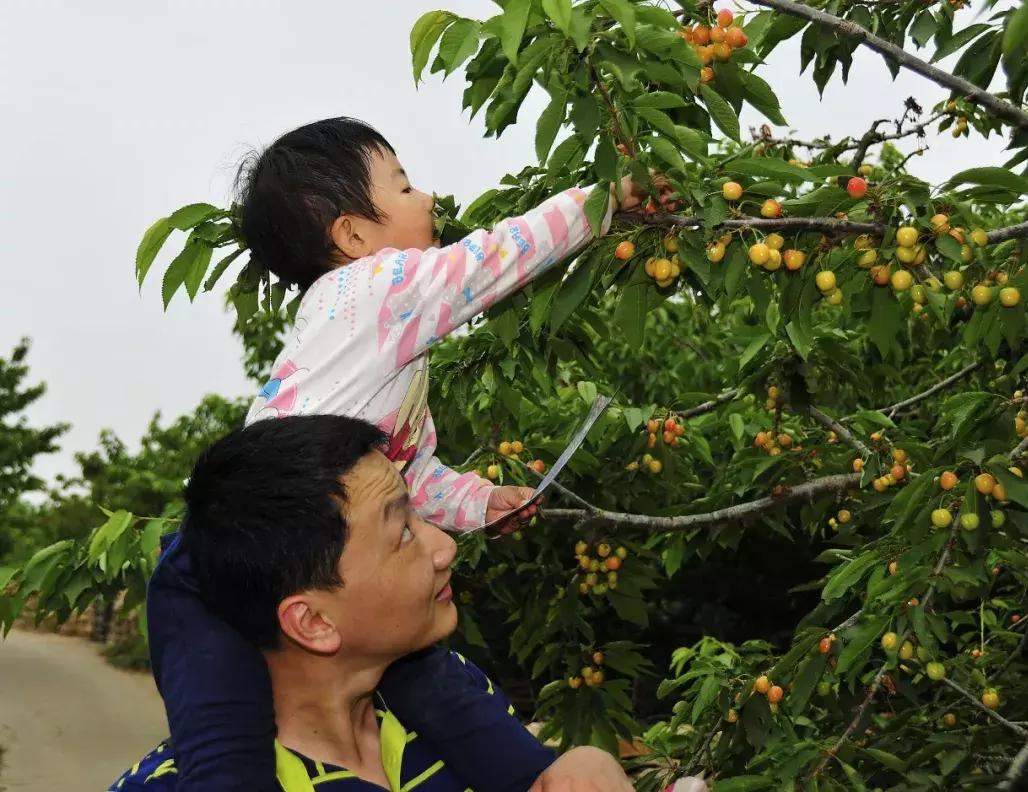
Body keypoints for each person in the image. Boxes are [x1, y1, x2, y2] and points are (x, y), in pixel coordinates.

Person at [147, 117, 660, 789]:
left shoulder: (381, 352)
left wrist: (478, 502)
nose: (428, 200)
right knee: (225, 749)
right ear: (354, 236)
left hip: (339, 564)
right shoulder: (376, 289)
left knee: (431, 683)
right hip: (217, 562)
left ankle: (534, 779)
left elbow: (410, 475)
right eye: (404, 185)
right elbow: (495, 258)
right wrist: (605, 201)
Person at [114, 416, 634, 792]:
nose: (445, 546)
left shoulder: (462, 702)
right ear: (313, 621)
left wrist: (583, 765)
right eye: (403, 532)